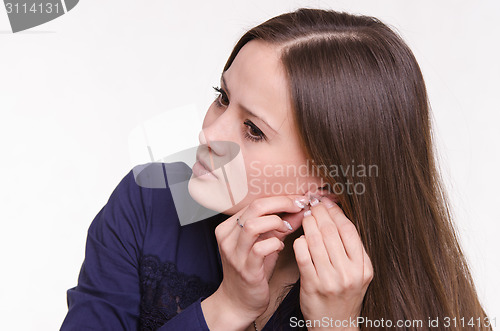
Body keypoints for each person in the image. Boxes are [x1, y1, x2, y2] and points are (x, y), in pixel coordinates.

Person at [61, 8, 492, 331]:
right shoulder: (148, 201)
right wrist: (226, 307)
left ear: (331, 181)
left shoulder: (399, 285)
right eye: (222, 97)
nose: (209, 132)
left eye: (252, 129)